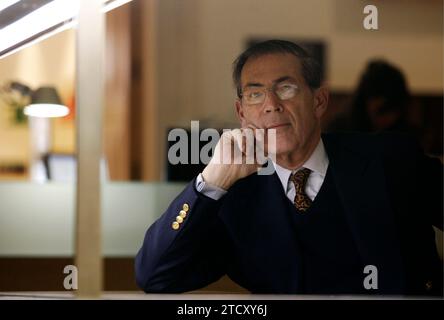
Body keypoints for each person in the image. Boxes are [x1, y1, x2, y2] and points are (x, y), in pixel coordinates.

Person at [135, 40, 443, 296]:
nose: (271, 104)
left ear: (319, 101)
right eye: (255, 94)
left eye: (285, 88)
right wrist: (210, 182)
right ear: (242, 114)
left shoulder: (390, 160)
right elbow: (155, 277)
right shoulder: (233, 197)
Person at [327, 59, 416, 134]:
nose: (389, 118)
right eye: (382, 110)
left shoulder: (407, 135)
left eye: (394, 109)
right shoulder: (340, 131)